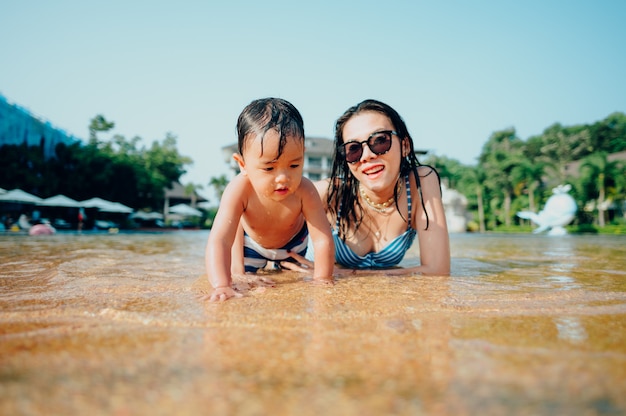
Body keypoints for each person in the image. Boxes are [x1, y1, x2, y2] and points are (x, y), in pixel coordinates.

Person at [285, 99, 450, 276]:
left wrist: (343, 274)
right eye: (353, 149)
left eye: (380, 141)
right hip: (318, 287)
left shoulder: (420, 183)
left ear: (405, 146)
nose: (367, 156)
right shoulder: (330, 193)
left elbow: (437, 271)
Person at [204, 97, 335, 302]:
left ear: (303, 155)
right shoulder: (239, 189)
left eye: (294, 166)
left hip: (293, 247)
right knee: (243, 282)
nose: (283, 177)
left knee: (294, 295)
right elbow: (220, 240)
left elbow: (322, 239)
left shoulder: (305, 189)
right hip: (253, 246)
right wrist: (222, 284)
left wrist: (323, 279)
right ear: (243, 164)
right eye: (269, 168)